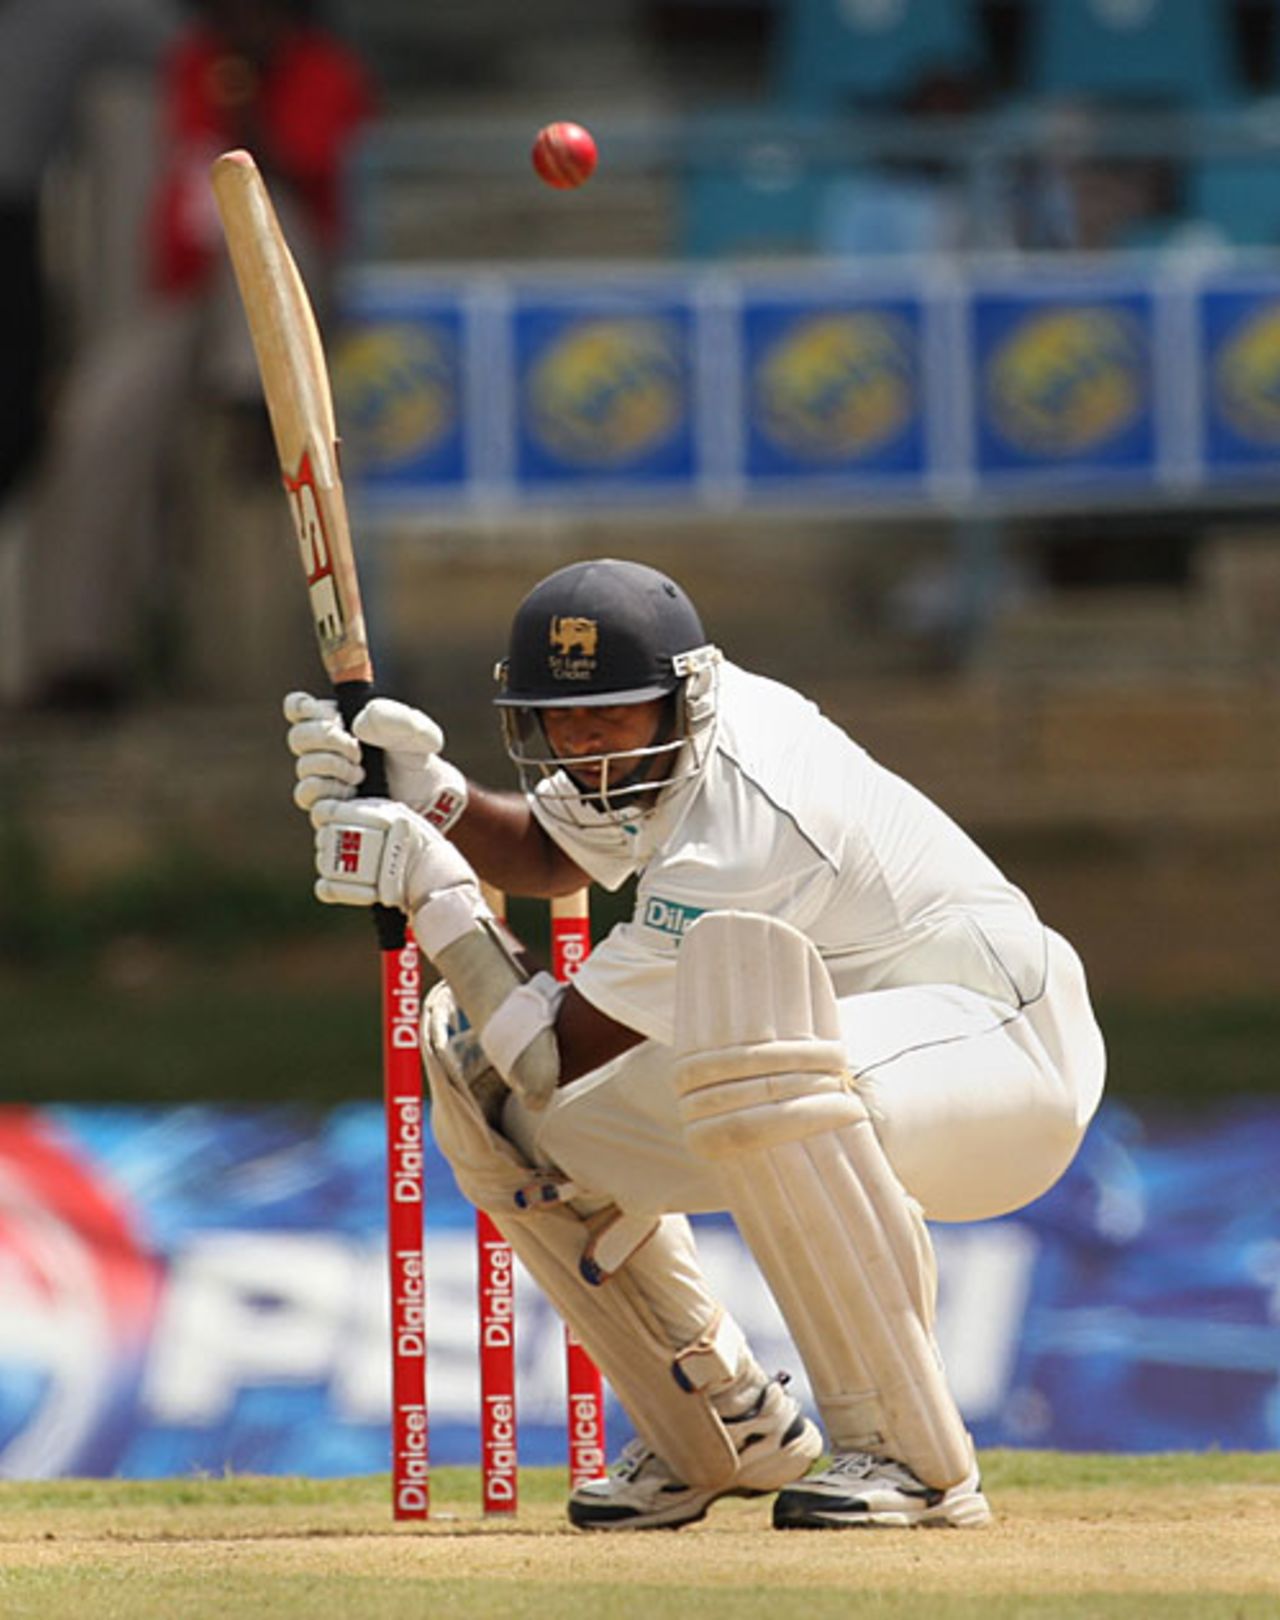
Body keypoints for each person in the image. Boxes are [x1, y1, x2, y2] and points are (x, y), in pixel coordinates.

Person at [285, 556, 1106, 1531]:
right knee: (507, 1120)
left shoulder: (747, 823)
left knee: (752, 1061)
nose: (583, 742)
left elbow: (553, 1052)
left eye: (612, 715)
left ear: (683, 697)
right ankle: (720, 1424)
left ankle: (908, 1457)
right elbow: (551, 860)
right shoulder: (665, 749)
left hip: (998, 1053)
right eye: (561, 718)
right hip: (847, 1052)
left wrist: (438, 894)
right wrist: (433, 803)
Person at [17, 0, 374, 712]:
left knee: (273, 244)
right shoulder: (192, 66)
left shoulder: (325, 72)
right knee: (98, 422)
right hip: (182, 297)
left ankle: (253, 397)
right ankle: (77, 658)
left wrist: (251, 103)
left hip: (285, 295)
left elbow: (289, 181)